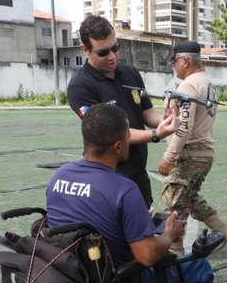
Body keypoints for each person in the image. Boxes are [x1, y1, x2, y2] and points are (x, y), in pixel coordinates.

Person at [46, 103, 215, 283]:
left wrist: (131, 219)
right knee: (196, 266)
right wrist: (169, 234)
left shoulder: (59, 176)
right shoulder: (123, 189)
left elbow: (84, 220)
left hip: (73, 274)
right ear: (118, 146)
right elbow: (146, 256)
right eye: (127, 136)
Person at [67, 15, 179, 208]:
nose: (112, 56)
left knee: (144, 227)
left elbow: (147, 113)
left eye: (115, 48)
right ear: (85, 49)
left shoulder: (130, 73)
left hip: (137, 172)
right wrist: (155, 135)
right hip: (108, 176)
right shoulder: (81, 87)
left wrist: (165, 119)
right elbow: (110, 134)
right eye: (103, 52)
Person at [158, 40, 227, 255]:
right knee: (188, 196)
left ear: (185, 61)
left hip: (190, 153)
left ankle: (175, 250)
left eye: (175, 61)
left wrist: (169, 156)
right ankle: (221, 228)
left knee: (174, 200)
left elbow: (184, 126)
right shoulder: (207, 83)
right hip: (204, 153)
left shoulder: (188, 85)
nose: (174, 66)